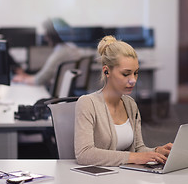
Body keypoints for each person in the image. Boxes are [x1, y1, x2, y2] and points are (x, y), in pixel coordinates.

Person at [74, 36, 172, 166]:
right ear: (107, 71)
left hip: (124, 177)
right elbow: (84, 154)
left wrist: (157, 152)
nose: (133, 80)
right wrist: (132, 157)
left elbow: (138, 149)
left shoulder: (130, 104)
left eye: (136, 73)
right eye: (126, 74)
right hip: (97, 182)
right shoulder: (87, 103)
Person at [12, 19, 80, 85]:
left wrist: (23, 78)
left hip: (56, 94)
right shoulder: (71, 48)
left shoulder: (60, 53)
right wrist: (25, 76)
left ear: (53, 35)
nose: (45, 38)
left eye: (46, 33)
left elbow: (39, 80)